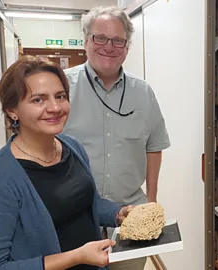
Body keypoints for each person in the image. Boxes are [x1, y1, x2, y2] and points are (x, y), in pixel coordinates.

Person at [0, 56, 133, 270]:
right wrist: (75, 257)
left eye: (60, 96)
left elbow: (85, 203)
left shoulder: (72, 147)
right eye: (38, 100)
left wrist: (118, 214)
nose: (55, 107)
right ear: (12, 110)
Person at [63, 6, 170, 270]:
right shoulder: (62, 88)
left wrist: (152, 202)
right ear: (86, 40)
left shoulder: (143, 93)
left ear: (126, 47)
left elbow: (154, 146)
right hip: (74, 216)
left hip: (129, 217)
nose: (109, 47)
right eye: (100, 38)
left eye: (118, 40)